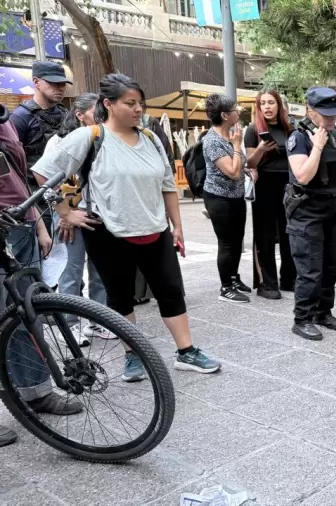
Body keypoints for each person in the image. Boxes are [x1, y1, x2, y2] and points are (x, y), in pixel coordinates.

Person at [32, 73, 221, 380]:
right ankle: (131, 356)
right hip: (108, 232)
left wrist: (177, 226)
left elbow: (167, 184)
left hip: (154, 229)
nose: (137, 109)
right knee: (120, 296)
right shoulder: (90, 137)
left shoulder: (149, 139)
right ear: (108, 104)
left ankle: (186, 351)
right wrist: (65, 211)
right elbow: (43, 174)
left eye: (140, 104)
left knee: (171, 290)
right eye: (130, 103)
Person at [0, 102, 80, 448]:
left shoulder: (5, 122)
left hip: (15, 223)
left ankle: (35, 391)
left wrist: (36, 222)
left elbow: (17, 177)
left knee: (22, 313)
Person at [285, 87, 336, 341]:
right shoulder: (299, 138)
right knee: (310, 268)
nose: (331, 119)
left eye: (334, 114)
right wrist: (317, 147)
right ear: (310, 112)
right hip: (307, 210)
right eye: (325, 114)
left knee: (331, 265)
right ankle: (302, 318)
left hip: (334, 208)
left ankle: (323, 311)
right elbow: (303, 176)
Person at [46, 93, 110, 344]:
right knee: (70, 270)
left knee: (99, 270)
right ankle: (70, 324)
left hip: (97, 213)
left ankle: (99, 320)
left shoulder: (104, 138)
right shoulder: (60, 141)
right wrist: (64, 215)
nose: (101, 116)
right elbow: (50, 180)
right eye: (96, 111)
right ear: (79, 114)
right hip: (71, 214)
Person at [244, 90, 297, 299]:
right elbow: (250, 163)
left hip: (288, 185)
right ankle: (267, 283)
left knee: (288, 233)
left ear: (279, 105)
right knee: (264, 235)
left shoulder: (289, 129)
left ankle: (288, 278)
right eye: (263, 103)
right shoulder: (253, 130)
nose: (267, 107)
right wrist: (260, 149)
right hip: (264, 184)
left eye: (271, 102)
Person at [202, 93, 255, 304]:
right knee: (226, 243)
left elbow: (239, 165)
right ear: (224, 115)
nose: (238, 111)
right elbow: (232, 171)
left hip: (236, 195)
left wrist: (247, 165)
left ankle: (233, 278)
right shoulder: (212, 140)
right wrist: (236, 146)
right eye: (235, 109)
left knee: (237, 240)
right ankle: (225, 288)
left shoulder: (231, 134)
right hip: (218, 197)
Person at [11, 61, 69, 231]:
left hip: (66, 195)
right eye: (53, 83)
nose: (60, 88)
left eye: (62, 84)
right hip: (34, 199)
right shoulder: (20, 117)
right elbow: (11, 165)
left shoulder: (66, 114)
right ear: (36, 82)